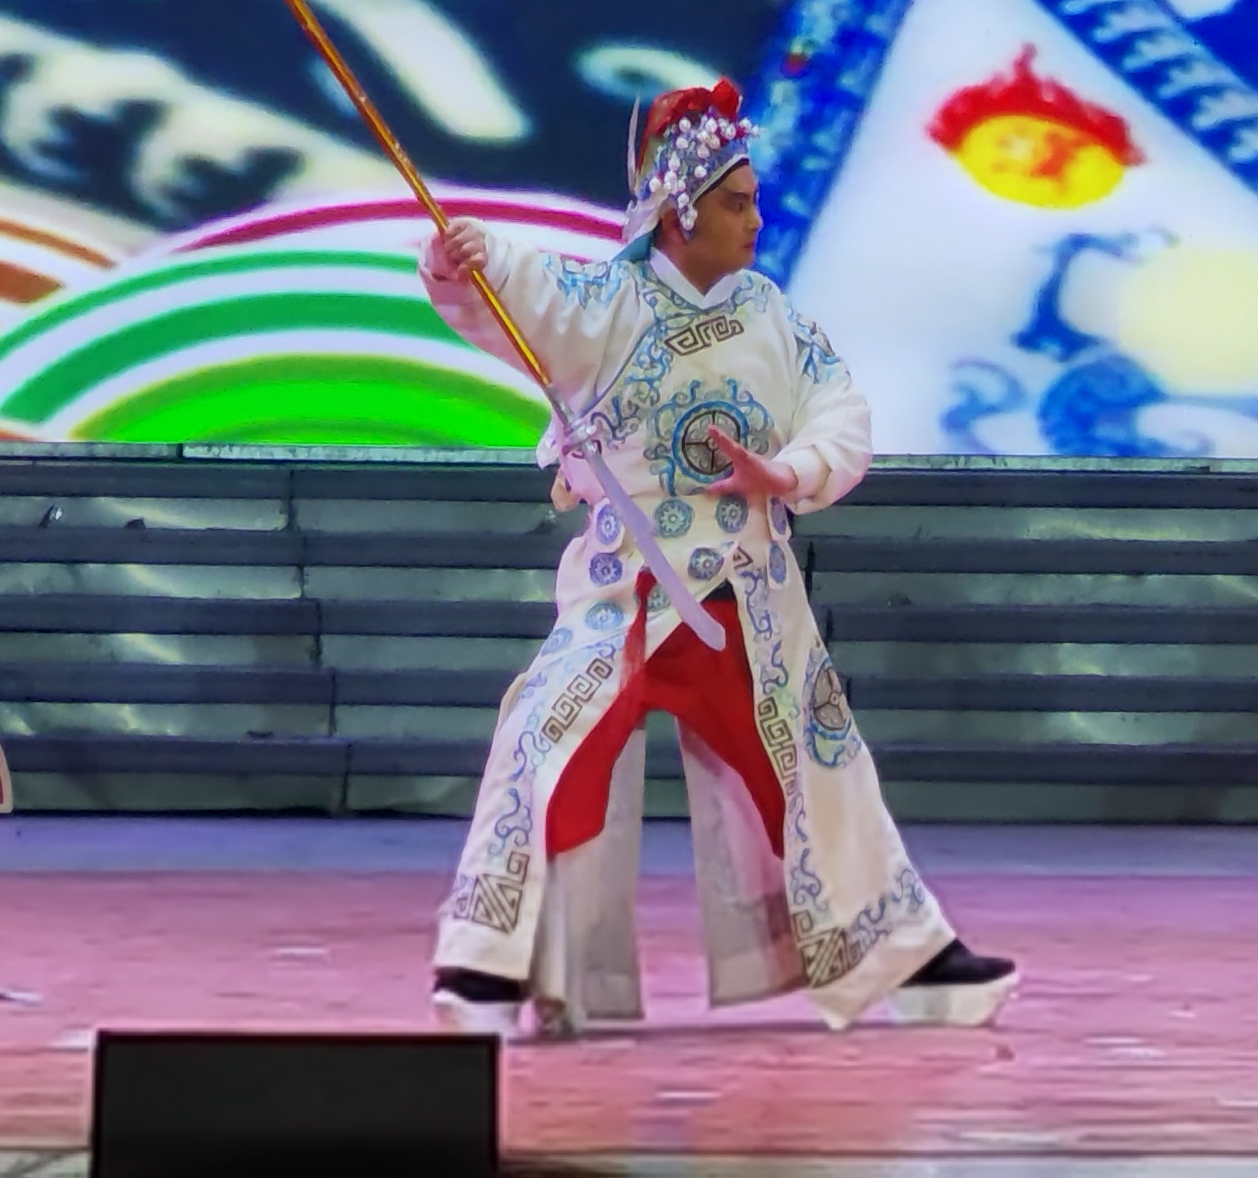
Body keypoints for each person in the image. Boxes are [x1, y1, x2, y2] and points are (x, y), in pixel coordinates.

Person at [420, 78, 1021, 1040]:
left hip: (747, 596)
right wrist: (466, 259)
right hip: (627, 589)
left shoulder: (773, 316)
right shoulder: (606, 301)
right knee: (543, 743)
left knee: (819, 767)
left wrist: (786, 470)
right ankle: (488, 961)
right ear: (680, 213)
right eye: (737, 204)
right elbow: (522, 289)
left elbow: (841, 411)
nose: (756, 221)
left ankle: (908, 953)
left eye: (754, 202)